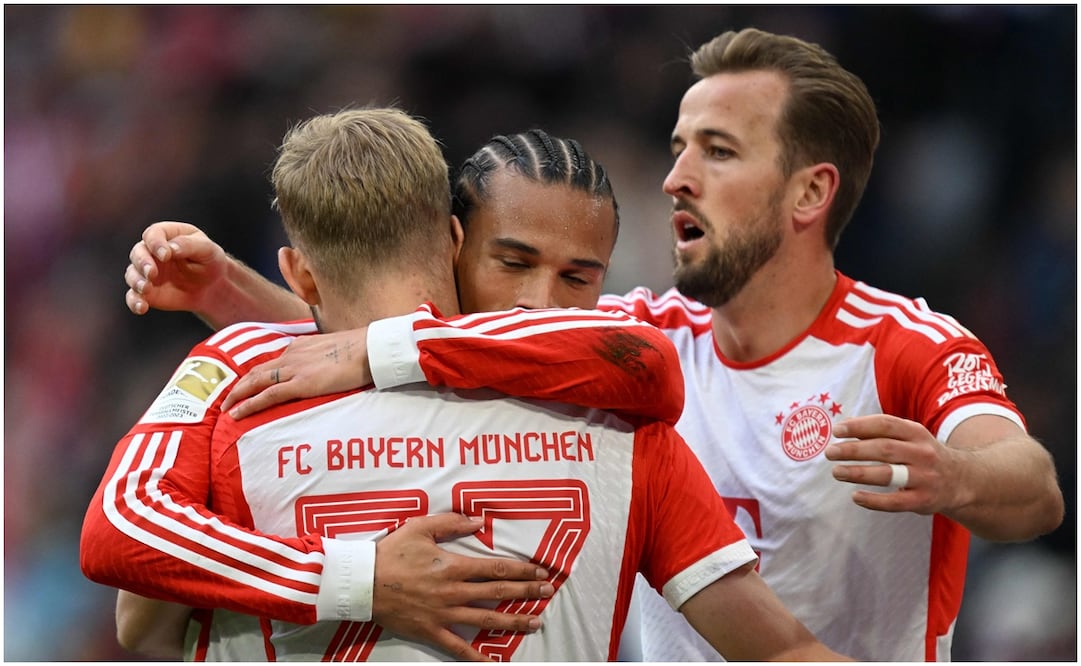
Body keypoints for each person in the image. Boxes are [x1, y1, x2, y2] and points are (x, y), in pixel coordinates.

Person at [122, 27, 1066, 662]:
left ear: (809, 194)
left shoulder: (899, 344)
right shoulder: (630, 339)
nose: (675, 178)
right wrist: (234, 298)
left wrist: (957, 479)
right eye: (677, 144)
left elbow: (1032, 486)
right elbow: (388, 356)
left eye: (718, 151)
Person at [85, 106, 850, 661]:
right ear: (454, 240)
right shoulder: (616, 422)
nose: (538, 305)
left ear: (299, 271)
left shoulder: (243, 382)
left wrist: (338, 336)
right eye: (513, 263)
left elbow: (142, 619)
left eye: (577, 278)